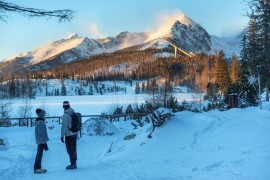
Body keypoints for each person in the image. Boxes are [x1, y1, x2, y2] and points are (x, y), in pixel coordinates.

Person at [61, 101, 78, 170]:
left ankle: (73, 163)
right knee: (74, 148)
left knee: (69, 149)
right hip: (75, 133)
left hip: (69, 135)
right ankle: (74, 161)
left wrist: (62, 136)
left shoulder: (65, 115)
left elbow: (64, 127)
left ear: (63, 107)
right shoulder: (73, 112)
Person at [34, 108, 49, 174]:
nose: (45, 116)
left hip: (40, 141)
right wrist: (44, 142)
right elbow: (42, 134)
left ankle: (36, 168)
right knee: (39, 154)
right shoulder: (41, 123)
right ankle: (38, 168)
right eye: (44, 115)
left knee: (38, 154)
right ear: (42, 115)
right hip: (41, 141)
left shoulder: (38, 121)